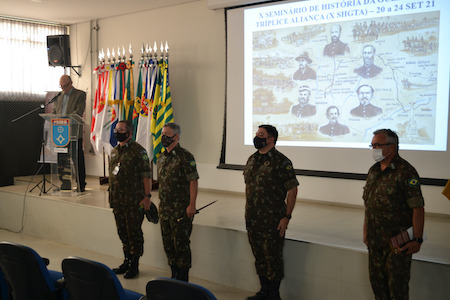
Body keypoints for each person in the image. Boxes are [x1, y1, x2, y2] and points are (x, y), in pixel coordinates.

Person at [363, 129, 425, 300]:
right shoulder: (374, 171)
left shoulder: (406, 172)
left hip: (398, 243)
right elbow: (369, 205)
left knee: (397, 290)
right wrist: (365, 231)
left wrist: (417, 239)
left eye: (377, 145)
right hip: (375, 242)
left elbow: (417, 208)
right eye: (372, 145)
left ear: (391, 147)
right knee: (378, 289)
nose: (373, 149)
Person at [244, 125, 299, 300]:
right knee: (259, 256)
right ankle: (264, 291)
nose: (257, 137)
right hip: (253, 218)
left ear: (271, 139)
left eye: (261, 135)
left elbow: (292, 190)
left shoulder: (281, 161)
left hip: (272, 219)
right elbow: (248, 187)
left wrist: (286, 216)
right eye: (256, 134)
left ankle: (274, 295)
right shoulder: (252, 159)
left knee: (272, 258)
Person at [109, 120, 152, 279]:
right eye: (116, 129)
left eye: (120, 130)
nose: (117, 132)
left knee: (134, 232)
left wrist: (147, 197)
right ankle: (126, 260)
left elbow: (146, 176)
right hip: (117, 200)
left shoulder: (138, 151)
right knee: (122, 232)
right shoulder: (115, 151)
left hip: (134, 201)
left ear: (129, 133)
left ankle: (134, 264)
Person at [157, 122, 199, 282]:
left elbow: (193, 182)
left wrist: (192, 205)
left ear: (176, 136)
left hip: (181, 210)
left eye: (167, 134)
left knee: (181, 245)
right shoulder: (161, 157)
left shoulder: (186, 157)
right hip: (165, 209)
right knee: (168, 244)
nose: (163, 137)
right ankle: (174, 274)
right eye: (162, 133)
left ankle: (183, 278)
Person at [52, 75, 87, 192]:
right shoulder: (58, 96)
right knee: (62, 160)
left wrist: (65, 119)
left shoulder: (80, 95)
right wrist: (55, 118)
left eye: (65, 86)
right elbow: (54, 112)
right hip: (60, 133)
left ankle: (81, 184)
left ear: (71, 83)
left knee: (77, 160)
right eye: (61, 86)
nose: (63, 88)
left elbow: (79, 111)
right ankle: (65, 184)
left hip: (73, 133)